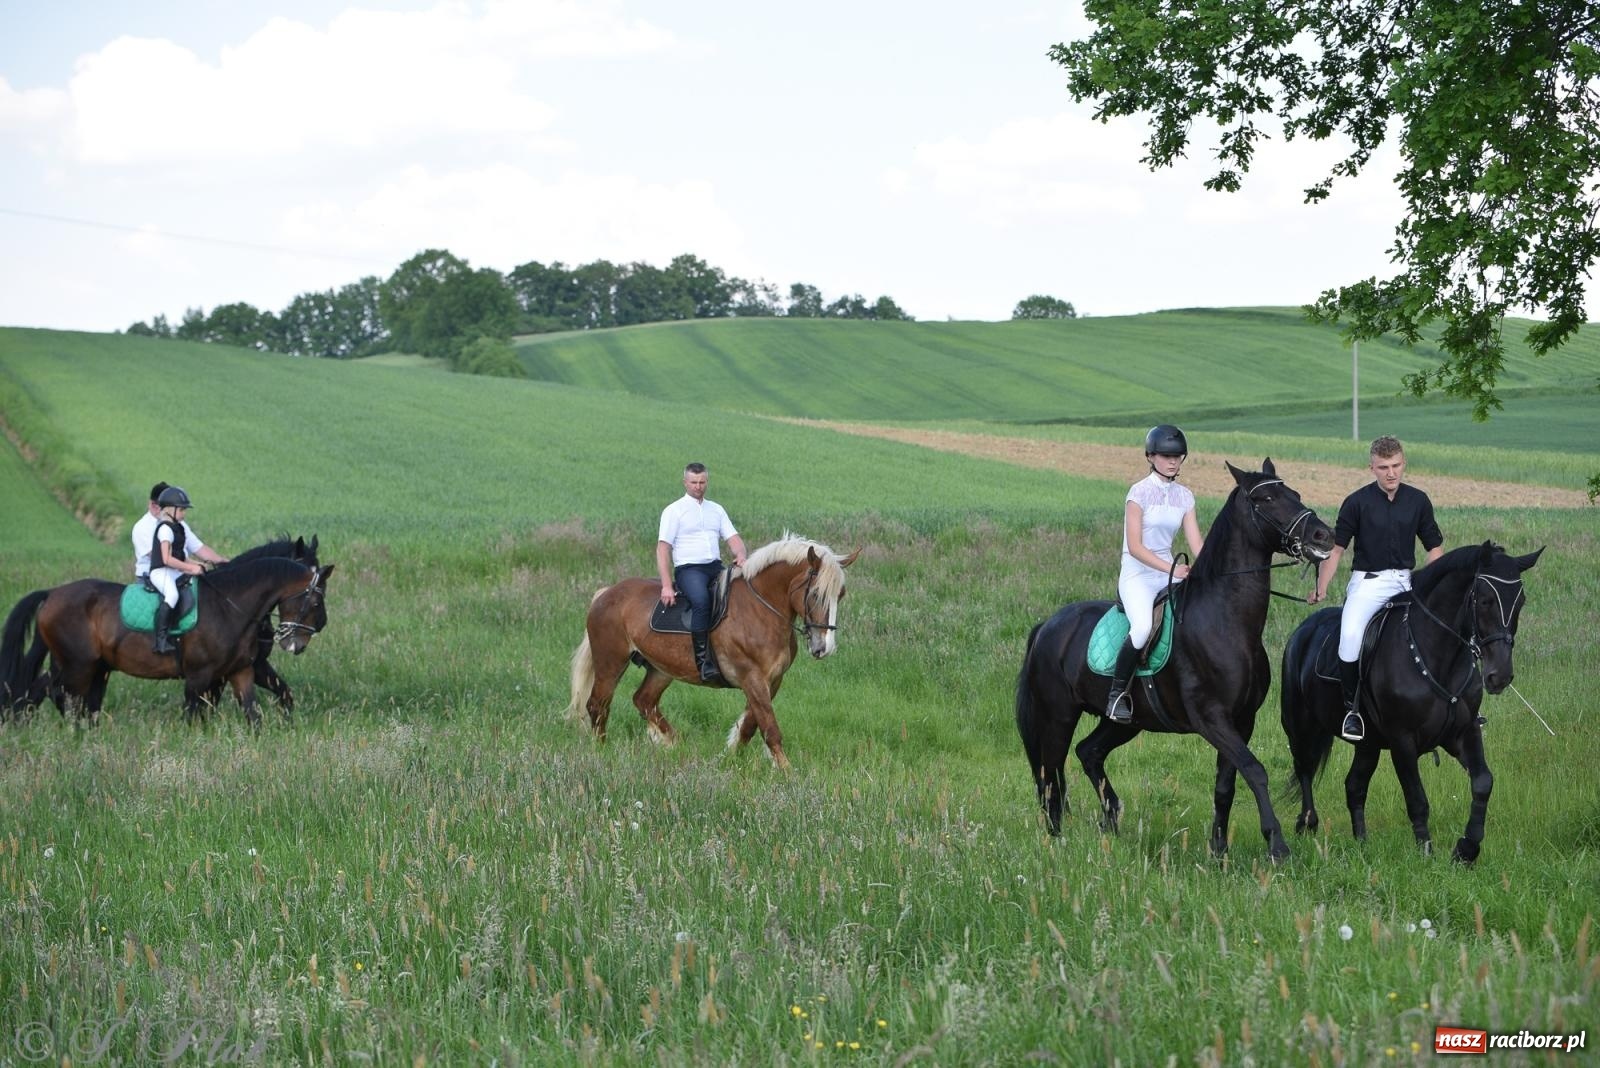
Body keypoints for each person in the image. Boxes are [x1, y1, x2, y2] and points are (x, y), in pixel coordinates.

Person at [1310, 435, 1444, 742]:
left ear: (1403, 464)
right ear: (1372, 467)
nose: (1391, 473)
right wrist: (1322, 587)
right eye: (1383, 467)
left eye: (1396, 465)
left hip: (1407, 581)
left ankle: (1456, 701)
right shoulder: (1356, 502)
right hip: (1368, 583)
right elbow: (1338, 550)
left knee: (1444, 626)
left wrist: (1435, 589)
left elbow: (1434, 550)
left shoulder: (1419, 501)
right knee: (1351, 636)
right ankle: (1351, 710)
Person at [1107, 424, 1205, 723]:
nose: (1173, 461)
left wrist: (1210, 571)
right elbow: (1135, 547)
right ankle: (1117, 694)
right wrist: (1173, 569)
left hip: (1169, 571)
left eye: (1178, 456)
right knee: (1141, 628)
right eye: (1166, 456)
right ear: (1151, 456)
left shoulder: (1185, 496)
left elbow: (1197, 543)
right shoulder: (1138, 493)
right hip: (1138, 573)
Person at [657, 462, 747, 683]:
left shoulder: (716, 509)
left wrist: (741, 554)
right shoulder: (674, 511)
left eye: (702, 482)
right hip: (689, 569)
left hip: (714, 566)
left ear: (707, 482)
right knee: (702, 601)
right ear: (685, 482)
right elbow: (663, 549)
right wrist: (667, 585)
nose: (698, 486)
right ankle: (703, 663)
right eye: (694, 482)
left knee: (741, 593)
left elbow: (733, 539)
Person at [146, 486, 210, 653]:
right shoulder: (165, 529)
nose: (184, 513)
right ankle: (160, 640)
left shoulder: (179, 528)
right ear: (169, 510)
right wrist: (190, 568)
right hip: (161, 571)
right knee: (172, 594)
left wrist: (197, 565)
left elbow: (181, 557)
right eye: (181, 509)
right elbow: (166, 559)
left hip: (174, 569)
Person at [132, 480, 227, 580]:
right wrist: (192, 566)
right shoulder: (141, 528)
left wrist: (224, 563)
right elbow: (160, 558)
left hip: (179, 574)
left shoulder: (178, 524)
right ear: (152, 505)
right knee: (172, 595)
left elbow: (199, 548)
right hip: (154, 578)